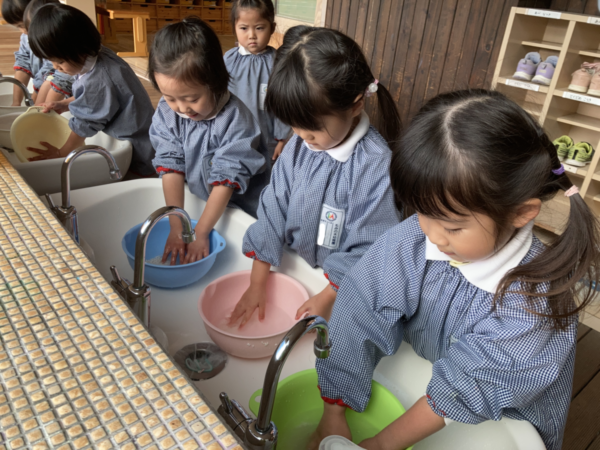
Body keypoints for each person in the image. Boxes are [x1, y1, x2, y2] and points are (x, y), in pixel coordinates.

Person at [311, 89, 600, 450]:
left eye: (452, 227)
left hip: (505, 420)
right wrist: (333, 410)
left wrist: (382, 444)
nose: (431, 236)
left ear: (521, 213)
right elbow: (361, 309)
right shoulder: (415, 238)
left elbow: (469, 386)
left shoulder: (536, 302)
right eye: (421, 212)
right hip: (438, 385)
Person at [229, 26, 402, 327]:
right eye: (294, 125)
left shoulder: (374, 166)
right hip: (298, 266)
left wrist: (328, 295)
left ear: (356, 105)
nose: (301, 136)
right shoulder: (298, 146)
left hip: (341, 287)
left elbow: (373, 244)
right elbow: (274, 207)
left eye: (312, 128)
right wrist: (257, 282)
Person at [149, 18, 266, 265]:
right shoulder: (167, 112)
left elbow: (227, 179)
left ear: (215, 81)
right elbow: (171, 164)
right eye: (170, 97)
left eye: (192, 99)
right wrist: (178, 227)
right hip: (203, 197)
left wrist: (200, 232)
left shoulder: (236, 119)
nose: (182, 108)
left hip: (240, 208)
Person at [27, 3, 156, 176]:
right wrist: (64, 104)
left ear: (80, 49)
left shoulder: (99, 77)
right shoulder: (100, 56)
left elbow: (84, 124)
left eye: (60, 61)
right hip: (142, 138)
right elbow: (100, 100)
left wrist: (60, 153)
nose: (56, 67)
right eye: (51, 61)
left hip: (137, 153)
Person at [223, 0, 291, 164]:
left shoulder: (278, 63)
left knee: (264, 170)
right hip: (232, 135)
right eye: (244, 28)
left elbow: (284, 103)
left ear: (272, 28)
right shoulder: (228, 60)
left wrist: (283, 138)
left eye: (259, 28)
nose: (252, 35)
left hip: (266, 137)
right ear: (234, 28)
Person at [1, 0, 72, 106]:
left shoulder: (53, 38)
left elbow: (53, 74)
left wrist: (34, 106)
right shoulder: (26, 37)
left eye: (23, 25)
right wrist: (16, 103)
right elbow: (23, 62)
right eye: (18, 27)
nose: (23, 31)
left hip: (62, 91)